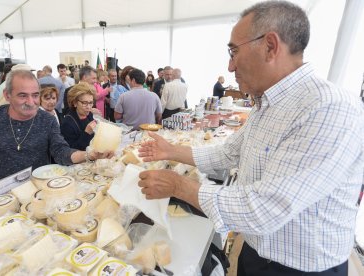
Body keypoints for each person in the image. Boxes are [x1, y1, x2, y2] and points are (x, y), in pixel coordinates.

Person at [137, 1, 364, 275]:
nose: (230, 66)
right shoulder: (267, 103)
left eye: (233, 51)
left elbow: (264, 208)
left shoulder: (329, 107)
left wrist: (179, 186)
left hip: (300, 268)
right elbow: (229, 153)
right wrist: (172, 151)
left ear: (270, 46)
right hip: (257, 253)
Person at [0, 69, 112, 199]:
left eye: (35, 95)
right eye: (22, 95)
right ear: (7, 95)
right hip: (1, 194)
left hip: (38, 192)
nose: (31, 102)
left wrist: (89, 155)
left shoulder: (47, 120)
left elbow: (61, 151)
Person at [61, 83, 97, 151]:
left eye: (90, 103)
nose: (88, 107)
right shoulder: (67, 123)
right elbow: (70, 151)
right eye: (84, 103)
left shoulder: (89, 115)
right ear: (74, 103)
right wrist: (87, 133)